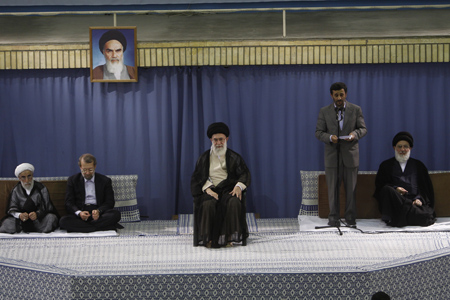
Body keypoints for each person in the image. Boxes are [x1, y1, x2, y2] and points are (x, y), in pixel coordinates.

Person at [191, 122, 251, 248]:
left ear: (226, 139)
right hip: (211, 190)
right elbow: (197, 177)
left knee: (233, 202)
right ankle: (209, 238)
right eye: (215, 140)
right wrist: (207, 189)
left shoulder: (234, 157)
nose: (218, 143)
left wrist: (238, 186)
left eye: (221, 139)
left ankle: (229, 236)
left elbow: (244, 174)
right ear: (211, 140)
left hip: (228, 190)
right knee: (208, 204)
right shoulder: (204, 158)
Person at [315, 82, 367, 226]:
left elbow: (363, 129)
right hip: (332, 156)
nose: (339, 98)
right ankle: (334, 218)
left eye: (341, 94)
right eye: (336, 95)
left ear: (346, 94)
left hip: (351, 156)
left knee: (351, 190)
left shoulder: (355, 109)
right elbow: (318, 132)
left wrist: (354, 134)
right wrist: (330, 138)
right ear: (331, 95)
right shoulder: (324, 111)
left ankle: (350, 218)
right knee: (332, 190)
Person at [374, 132, 435, 227]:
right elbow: (380, 187)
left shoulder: (419, 166)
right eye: (399, 146)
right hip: (396, 203)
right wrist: (395, 189)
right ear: (394, 148)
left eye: (406, 146)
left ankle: (407, 214)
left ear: (410, 148)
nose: (402, 149)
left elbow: (425, 189)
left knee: (426, 216)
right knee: (387, 189)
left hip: (414, 204)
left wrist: (418, 199)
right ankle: (407, 214)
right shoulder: (386, 165)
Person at [59, 153, 122, 232]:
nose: (88, 173)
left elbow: (110, 202)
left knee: (116, 214)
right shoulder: (73, 180)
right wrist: (79, 213)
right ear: (80, 167)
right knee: (63, 221)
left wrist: (99, 211)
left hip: (98, 213)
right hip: (81, 213)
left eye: (90, 170)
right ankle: (101, 227)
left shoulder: (105, 181)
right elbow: (68, 202)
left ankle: (84, 228)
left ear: (95, 166)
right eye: (84, 170)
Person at [0, 163, 59, 233]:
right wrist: (20, 215)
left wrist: (37, 214)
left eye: (29, 176)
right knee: (7, 223)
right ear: (19, 178)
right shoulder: (16, 190)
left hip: (38, 220)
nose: (27, 180)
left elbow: (47, 206)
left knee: (51, 218)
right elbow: (12, 208)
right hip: (22, 221)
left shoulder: (41, 188)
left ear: (32, 175)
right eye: (23, 177)